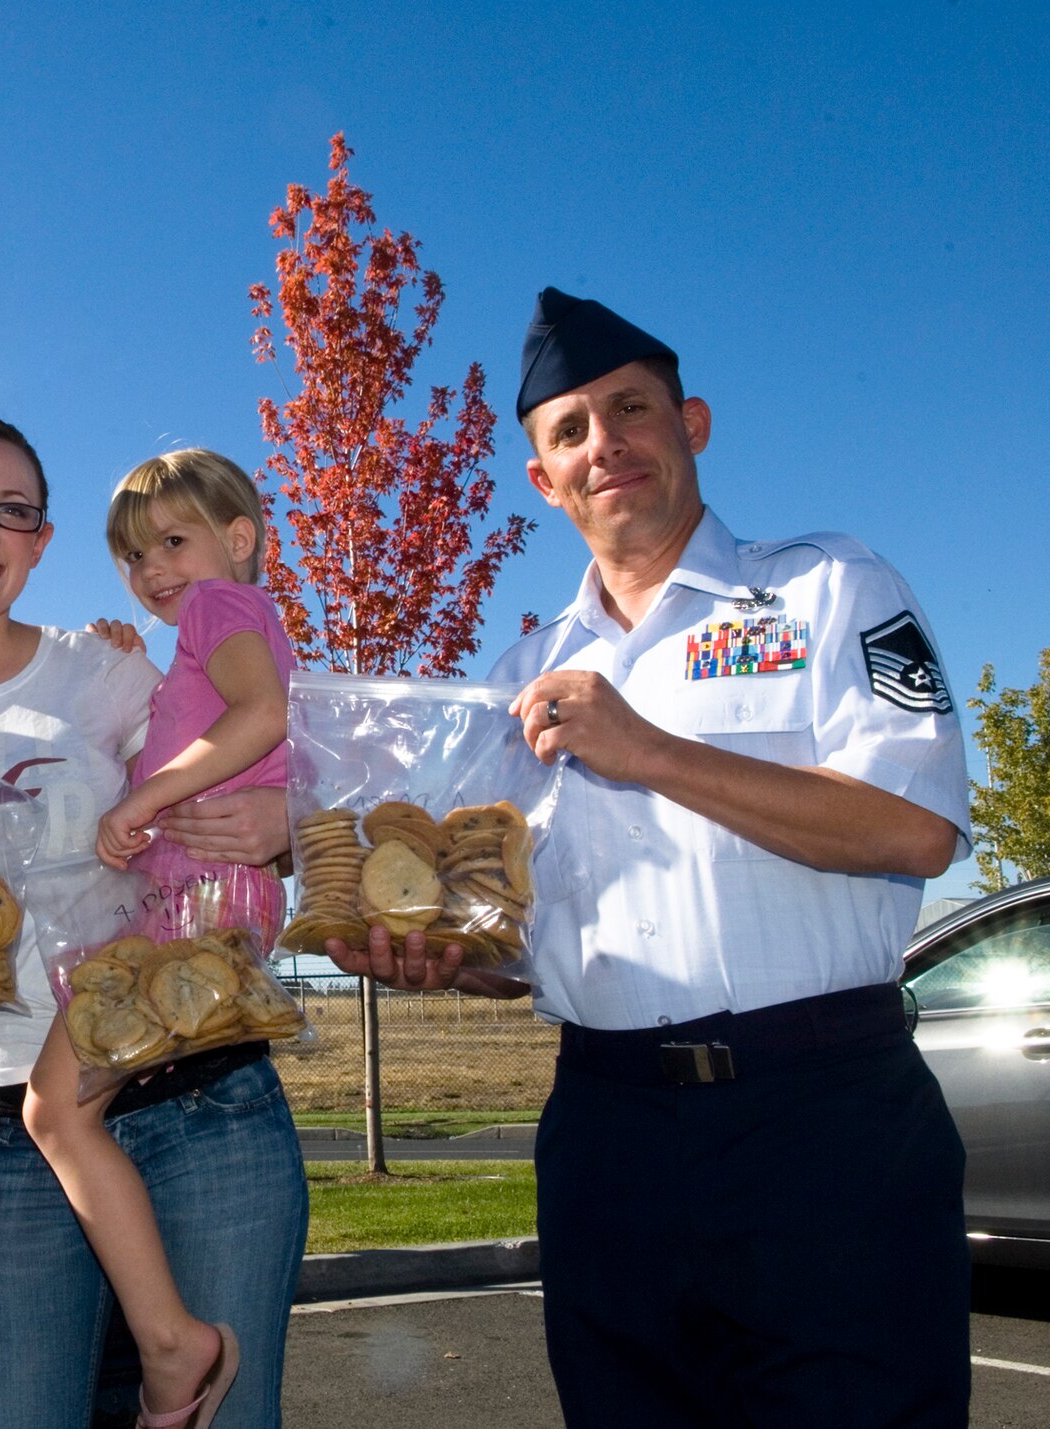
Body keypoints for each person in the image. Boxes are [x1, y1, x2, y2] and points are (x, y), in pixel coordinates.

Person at [328, 288, 972, 1426]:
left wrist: (651, 750)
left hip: (821, 1120)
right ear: (539, 478)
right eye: (566, 430)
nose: (601, 445)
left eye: (628, 410)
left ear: (693, 424)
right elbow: (532, 937)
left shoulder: (824, 587)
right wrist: (444, 959)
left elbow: (909, 826)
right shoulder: (516, 675)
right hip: (607, 1131)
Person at [0, 412, 308, 1428]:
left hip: (197, 1103)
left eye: (13, 510)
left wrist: (282, 829)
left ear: (38, 541)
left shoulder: (106, 669)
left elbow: (244, 771)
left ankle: (177, 1351)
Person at [21, 449, 297, 1427]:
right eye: (134, 556)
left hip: (197, 911)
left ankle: (174, 1344)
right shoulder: (203, 636)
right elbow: (207, 729)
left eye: (172, 541)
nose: (153, 570)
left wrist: (147, 790)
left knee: (54, 1109)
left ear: (237, 539)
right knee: (65, 1110)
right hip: (203, 907)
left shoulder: (225, 609)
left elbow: (260, 720)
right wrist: (133, 673)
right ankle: (170, 1340)